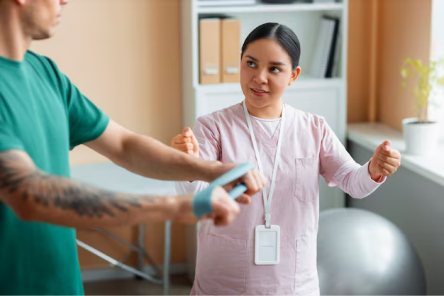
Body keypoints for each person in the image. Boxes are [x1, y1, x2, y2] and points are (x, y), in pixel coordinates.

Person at [0, 1, 266, 295]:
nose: (65, 1)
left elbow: (125, 145)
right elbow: (28, 193)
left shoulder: (45, 73)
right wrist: (177, 207)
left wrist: (214, 169)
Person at [172, 22, 402, 296]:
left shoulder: (313, 128)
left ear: (293, 75)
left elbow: (353, 182)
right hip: (224, 282)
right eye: (251, 64)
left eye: (275, 69)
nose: (259, 77)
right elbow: (196, 197)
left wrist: (374, 169)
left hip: (293, 284)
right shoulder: (213, 127)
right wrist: (188, 165)